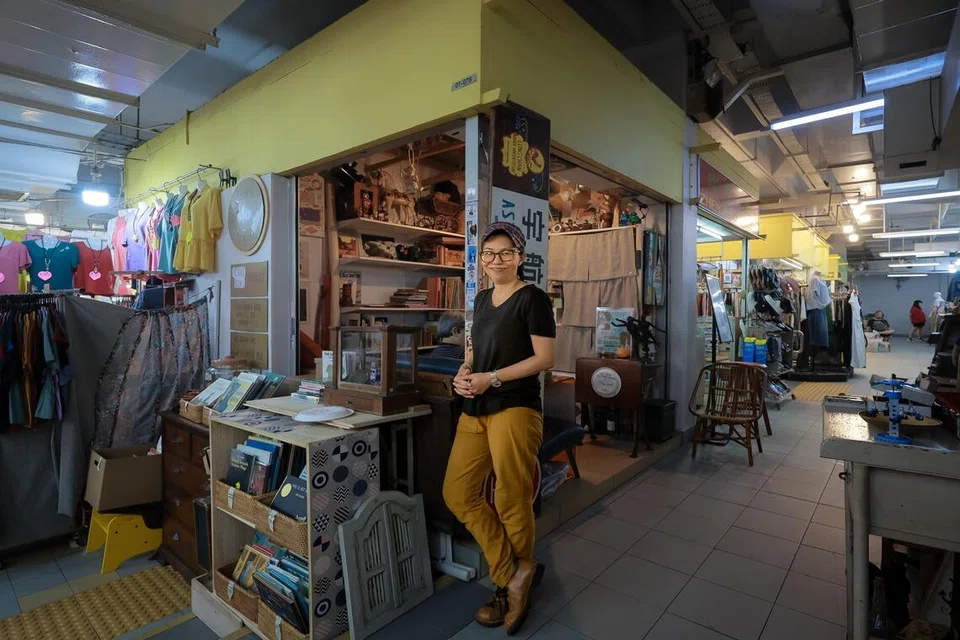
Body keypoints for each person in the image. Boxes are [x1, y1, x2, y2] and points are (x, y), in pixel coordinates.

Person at [442, 222, 555, 635]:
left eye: (505, 253)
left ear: (521, 257)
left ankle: (507, 590)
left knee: (511, 496)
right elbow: (473, 351)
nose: (496, 260)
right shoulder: (482, 300)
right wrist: (465, 372)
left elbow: (543, 358)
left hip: (516, 407)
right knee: (457, 492)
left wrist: (494, 378)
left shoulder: (533, 299)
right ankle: (515, 573)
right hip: (476, 405)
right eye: (488, 253)